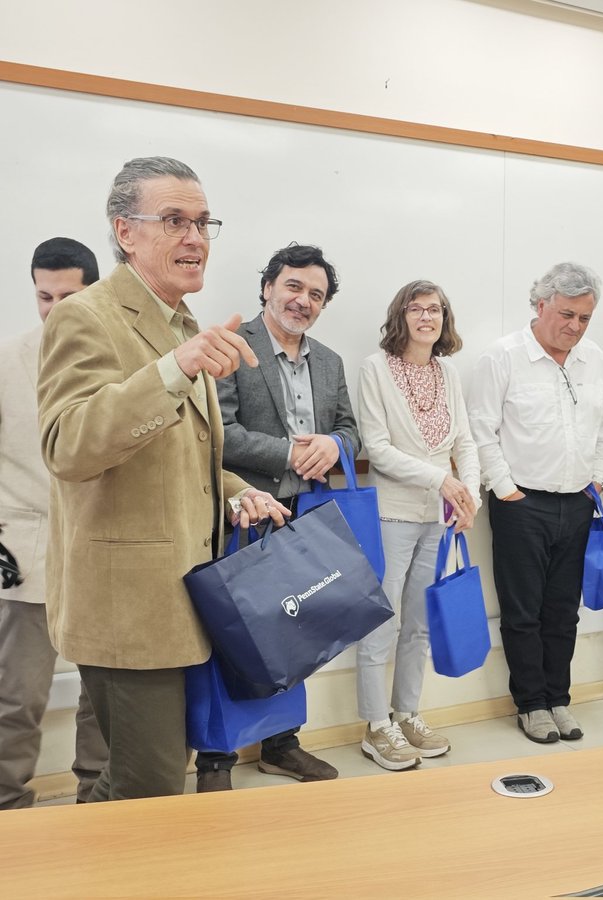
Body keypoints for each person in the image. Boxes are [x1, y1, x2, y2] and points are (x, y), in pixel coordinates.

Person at [37, 157, 289, 801]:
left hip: (183, 596)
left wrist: (239, 490)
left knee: (142, 780)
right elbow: (68, 445)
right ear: (125, 232)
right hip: (128, 609)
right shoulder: (85, 316)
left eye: (204, 223)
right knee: (146, 789)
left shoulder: (180, 324)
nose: (195, 238)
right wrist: (173, 371)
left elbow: (180, 457)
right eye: (174, 220)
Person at [197, 243, 359, 791]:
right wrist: (289, 452)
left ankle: (281, 747)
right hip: (241, 510)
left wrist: (336, 446)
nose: (303, 301)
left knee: (295, 632)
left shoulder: (331, 362)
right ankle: (215, 761)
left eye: (316, 294)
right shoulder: (232, 349)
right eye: (293, 287)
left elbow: (350, 431)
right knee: (228, 635)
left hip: (303, 516)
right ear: (267, 287)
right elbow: (219, 434)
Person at [468, 262, 603, 744]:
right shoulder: (503, 357)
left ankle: (559, 699)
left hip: (577, 503)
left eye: (585, 318)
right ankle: (531, 704)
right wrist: (505, 488)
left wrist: (597, 477)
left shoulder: (593, 357)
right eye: (567, 314)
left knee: (563, 612)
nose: (575, 327)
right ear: (541, 305)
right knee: (523, 612)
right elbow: (481, 430)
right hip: (521, 504)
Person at [0, 238, 106, 808]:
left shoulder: (117, 360)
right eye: (45, 296)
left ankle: (94, 795)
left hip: (99, 553)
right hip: (24, 553)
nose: (56, 308)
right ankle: (6, 805)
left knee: (100, 695)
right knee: (15, 694)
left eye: (69, 295)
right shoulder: (6, 360)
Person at [356, 280, 479, 770]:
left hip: (439, 517)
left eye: (436, 310)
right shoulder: (375, 368)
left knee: (420, 626)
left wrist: (468, 493)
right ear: (401, 315)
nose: (427, 317)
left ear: (445, 319)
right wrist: (442, 481)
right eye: (417, 308)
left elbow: (466, 442)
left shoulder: (448, 372)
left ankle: (406, 712)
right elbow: (378, 448)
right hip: (393, 513)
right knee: (382, 623)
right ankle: (375, 725)